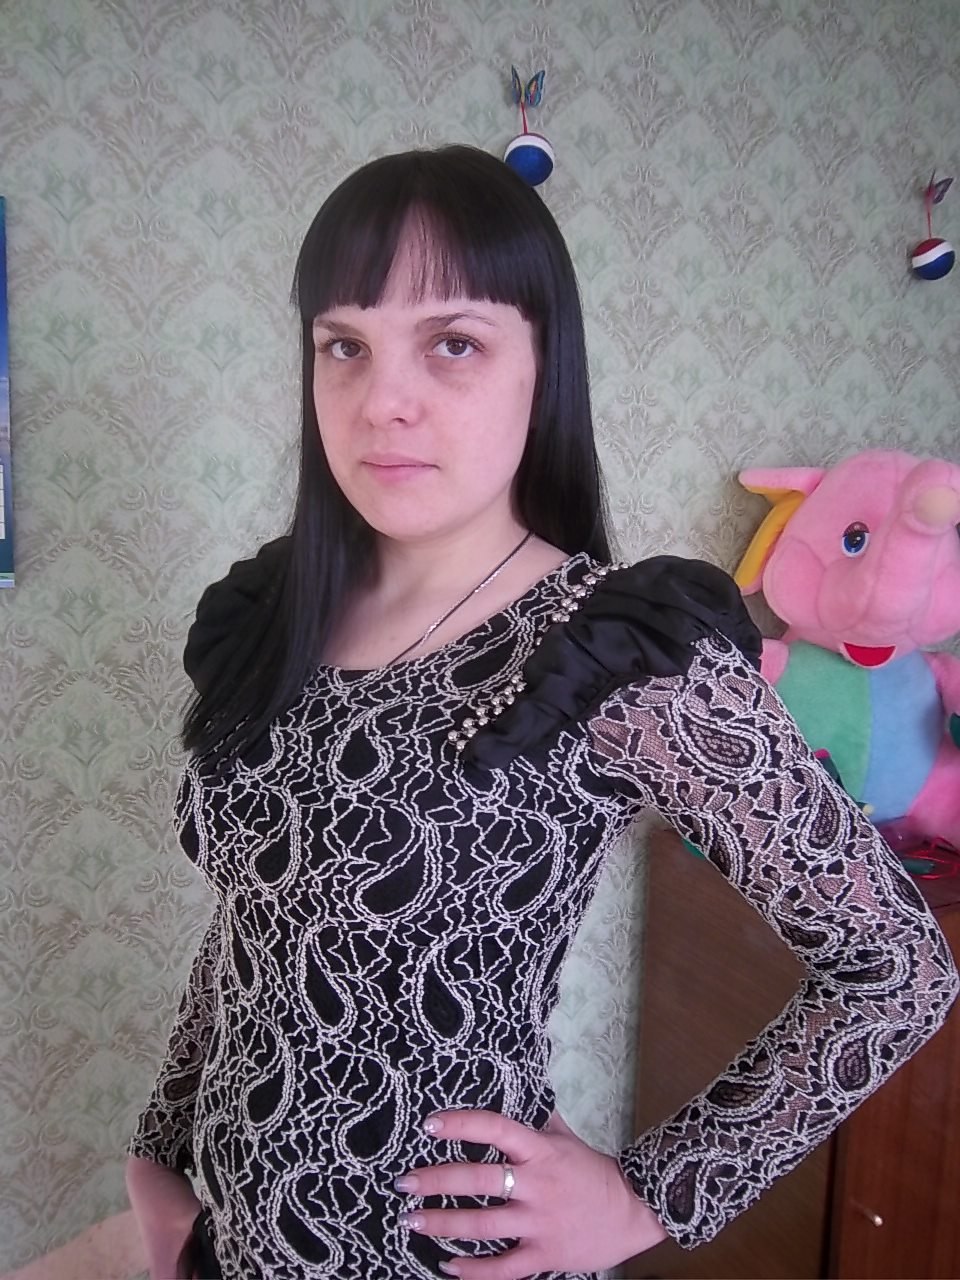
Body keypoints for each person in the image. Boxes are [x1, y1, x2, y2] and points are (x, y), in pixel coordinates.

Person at [125, 145, 959, 1280]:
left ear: (543, 363)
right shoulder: (275, 611)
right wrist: (162, 1148)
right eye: (344, 345)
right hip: (233, 1243)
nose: (382, 401)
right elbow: (261, 914)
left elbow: (895, 966)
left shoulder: (613, 650)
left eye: (453, 343)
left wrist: (650, 1195)